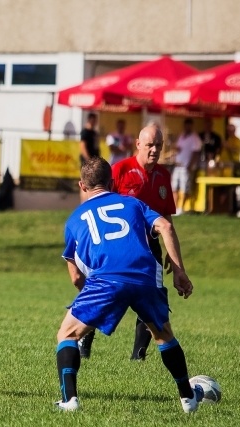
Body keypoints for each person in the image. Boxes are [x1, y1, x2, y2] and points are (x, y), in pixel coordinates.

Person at [54, 157, 204, 413]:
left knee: (67, 334)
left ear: (82, 185)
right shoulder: (133, 203)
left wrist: (91, 299)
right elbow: (165, 226)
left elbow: (76, 277)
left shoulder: (75, 219)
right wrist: (179, 271)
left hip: (106, 280)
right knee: (163, 334)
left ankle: (70, 401)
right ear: (112, 183)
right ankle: (188, 399)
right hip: (145, 275)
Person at [82, 122, 177, 362]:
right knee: (103, 293)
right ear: (138, 144)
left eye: (159, 145)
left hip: (150, 245)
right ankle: (85, 341)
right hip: (118, 246)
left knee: (151, 296)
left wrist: (170, 250)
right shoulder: (120, 170)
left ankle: (139, 356)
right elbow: (97, 201)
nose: (154, 150)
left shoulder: (164, 176)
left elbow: (166, 217)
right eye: (149, 145)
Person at [171, 118, 202, 215]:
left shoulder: (195, 138)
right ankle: (175, 207)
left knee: (184, 188)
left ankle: (182, 207)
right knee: (175, 187)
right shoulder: (181, 136)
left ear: (191, 126)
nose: (187, 127)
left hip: (186, 166)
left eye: (189, 125)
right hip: (178, 165)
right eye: (186, 125)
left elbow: (196, 152)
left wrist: (190, 165)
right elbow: (179, 148)